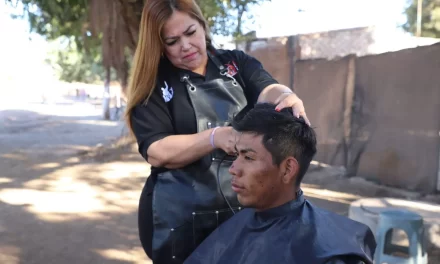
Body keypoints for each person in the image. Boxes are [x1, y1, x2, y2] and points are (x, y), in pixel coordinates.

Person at [126, 0, 310, 263]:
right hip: (178, 217)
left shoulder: (235, 63)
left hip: (240, 208)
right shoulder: (153, 84)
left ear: (202, 25)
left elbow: (267, 89)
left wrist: (286, 95)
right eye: (172, 41)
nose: (186, 45)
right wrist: (214, 137)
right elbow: (156, 151)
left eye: (190, 33)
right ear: (160, 45)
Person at [184, 103, 377, 264]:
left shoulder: (329, 254)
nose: (233, 168)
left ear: (287, 169)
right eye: (236, 155)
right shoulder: (236, 225)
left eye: (248, 157)